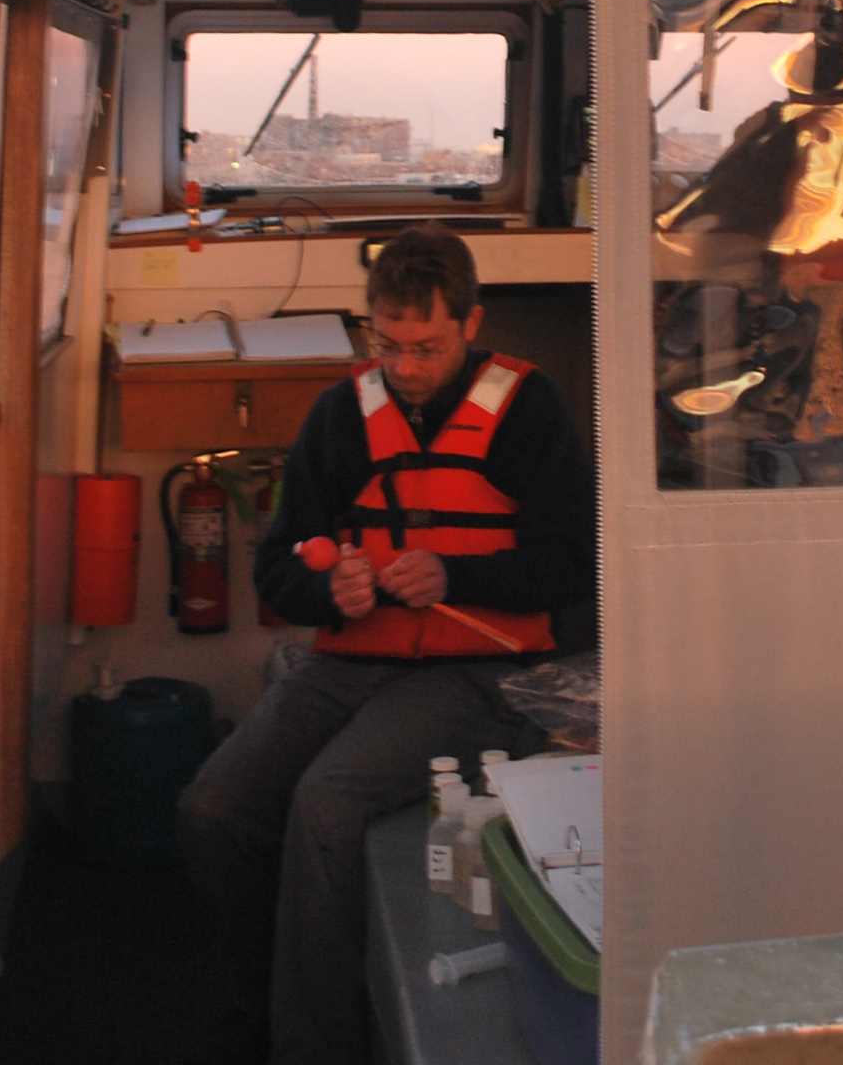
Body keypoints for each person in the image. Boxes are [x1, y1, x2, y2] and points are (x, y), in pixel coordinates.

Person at [177, 227, 596, 1065]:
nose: (405, 367)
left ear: (470, 324)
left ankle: (314, 1048)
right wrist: (326, 590)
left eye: (427, 348)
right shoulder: (341, 415)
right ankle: (263, 999)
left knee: (326, 805)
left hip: (477, 675)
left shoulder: (529, 409)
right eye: (388, 345)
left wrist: (454, 574)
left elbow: (574, 563)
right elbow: (278, 566)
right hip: (348, 663)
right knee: (213, 809)